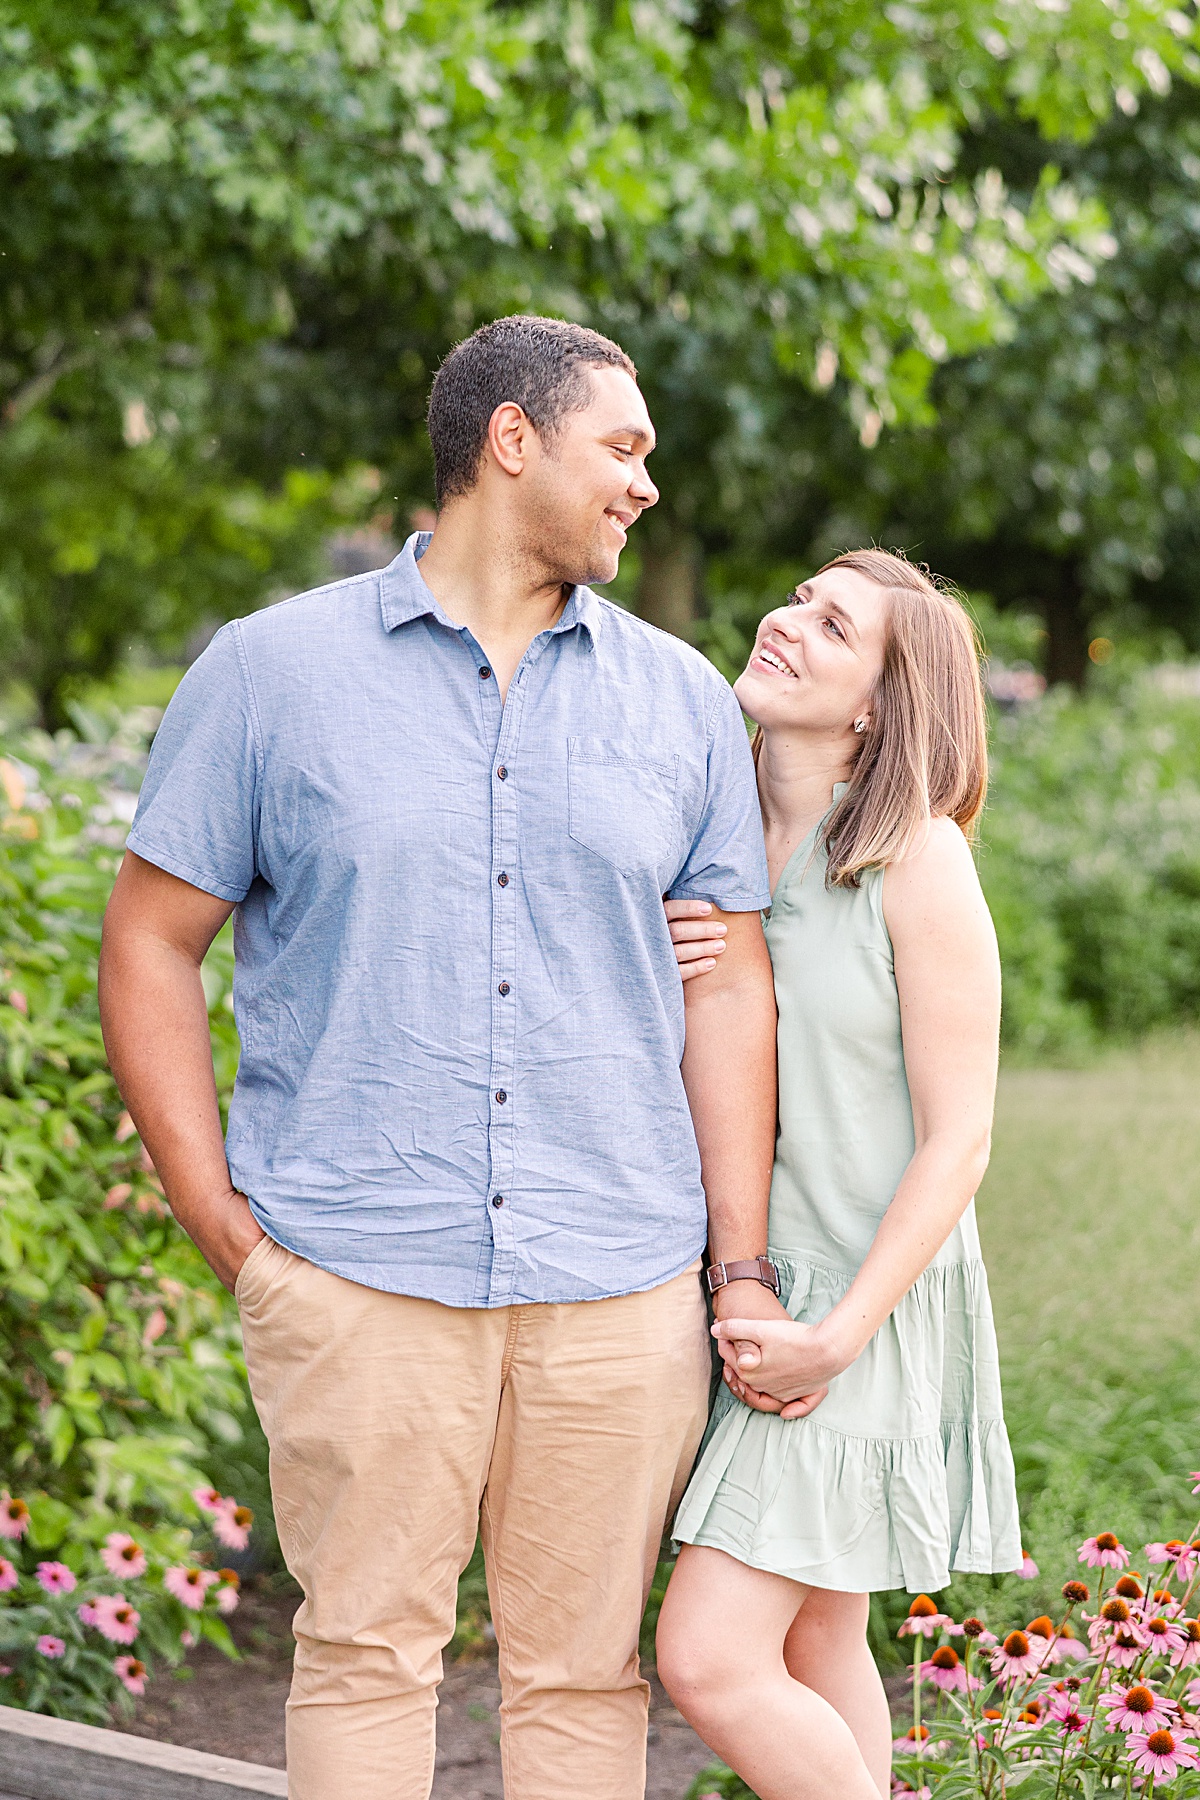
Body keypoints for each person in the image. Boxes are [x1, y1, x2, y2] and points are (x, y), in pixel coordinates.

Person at [97, 315, 787, 1800]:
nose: (647, 485)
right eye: (627, 447)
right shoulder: (270, 675)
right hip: (354, 1265)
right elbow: (150, 941)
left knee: (585, 1677)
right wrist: (226, 1227)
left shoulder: (681, 701)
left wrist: (735, 1266)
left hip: (619, 1277)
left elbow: (731, 996)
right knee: (362, 1652)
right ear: (512, 440)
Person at [656, 551, 1022, 1800]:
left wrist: (839, 1335)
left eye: (834, 624)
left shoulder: (915, 859)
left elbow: (959, 1139)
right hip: (761, 1276)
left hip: (860, 1304)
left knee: (706, 1657)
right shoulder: (716, 844)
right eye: (798, 599)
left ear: (878, 701)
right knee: (818, 1637)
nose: (788, 623)